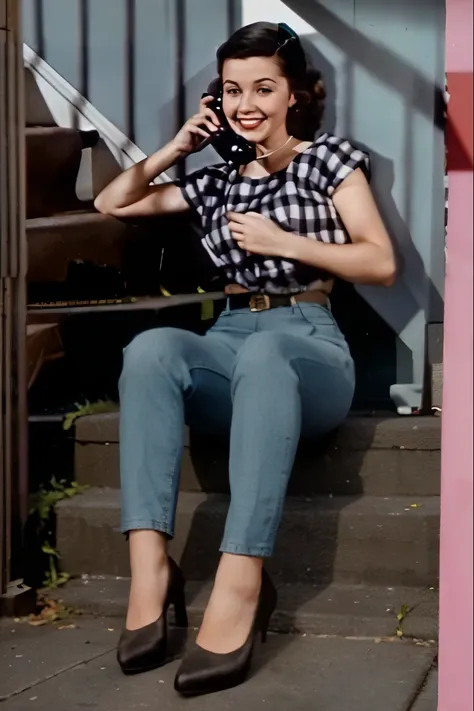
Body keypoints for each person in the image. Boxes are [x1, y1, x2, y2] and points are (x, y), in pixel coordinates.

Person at [94, 21, 396, 697]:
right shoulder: (218, 180)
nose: (247, 102)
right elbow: (110, 201)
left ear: (295, 94)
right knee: (150, 350)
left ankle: (240, 581)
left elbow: (379, 260)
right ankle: (151, 571)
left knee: (264, 353)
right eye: (233, 89)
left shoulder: (331, 161)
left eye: (264, 86)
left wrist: (284, 239)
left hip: (308, 345)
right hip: (230, 336)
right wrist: (177, 146)